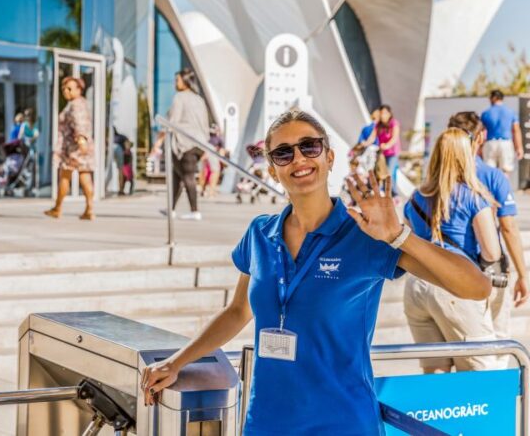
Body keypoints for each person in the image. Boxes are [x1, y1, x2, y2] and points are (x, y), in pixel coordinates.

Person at [141, 109, 490, 435]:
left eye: (309, 147)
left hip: (343, 420)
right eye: (283, 153)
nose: (299, 159)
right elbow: (236, 312)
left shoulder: (365, 233)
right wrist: (176, 361)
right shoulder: (260, 233)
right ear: (272, 169)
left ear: (329, 157)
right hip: (268, 420)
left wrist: (399, 235)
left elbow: (476, 287)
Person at [402, 127, 503, 373]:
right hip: (456, 286)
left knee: (435, 374)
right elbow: (492, 252)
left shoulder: (415, 197)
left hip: (417, 286)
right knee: (479, 369)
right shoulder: (472, 197)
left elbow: (409, 237)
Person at [449, 111, 529, 340]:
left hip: (443, 274)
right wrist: (522, 275)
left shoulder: (438, 178)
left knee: (440, 367)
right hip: (486, 273)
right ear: (481, 137)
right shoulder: (492, 176)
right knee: (497, 345)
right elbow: (508, 228)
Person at [151, 68, 210, 221]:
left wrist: (158, 142)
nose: (175, 83)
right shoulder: (199, 99)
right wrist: (205, 146)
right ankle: (171, 209)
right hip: (198, 143)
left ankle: (195, 211)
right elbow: (205, 123)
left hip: (184, 143)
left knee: (187, 176)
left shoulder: (180, 97)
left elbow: (171, 122)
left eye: (177, 80)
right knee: (177, 176)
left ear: (185, 81)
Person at [45, 76, 96, 220]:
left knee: (65, 176)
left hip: (73, 147)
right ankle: (89, 208)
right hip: (80, 146)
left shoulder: (75, 104)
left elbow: (79, 122)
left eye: (69, 88)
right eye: (64, 89)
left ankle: (58, 207)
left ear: (79, 89)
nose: (65, 91)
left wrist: (81, 139)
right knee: (84, 175)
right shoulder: (82, 103)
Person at [481, 89, 523, 176]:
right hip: (506, 143)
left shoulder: (485, 113)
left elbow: (481, 131)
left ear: (494, 98)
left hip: (490, 143)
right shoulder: (510, 112)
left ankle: (490, 190)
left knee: (489, 172)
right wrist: (519, 147)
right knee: (505, 172)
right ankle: (503, 189)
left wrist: (480, 147)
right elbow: (516, 130)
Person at [374, 104, 400, 192]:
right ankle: (391, 193)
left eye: (385, 113)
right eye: (381, 113)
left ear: (389, 114)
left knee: (390, 173)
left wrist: (387, 145)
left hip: (392, 153)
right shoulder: (378, 125)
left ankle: (392, 194)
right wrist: (364, 144)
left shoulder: (394, 123)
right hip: (382, 154)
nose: (383, 115)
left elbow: (395, 138)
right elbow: (372, 137)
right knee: (383, 173)